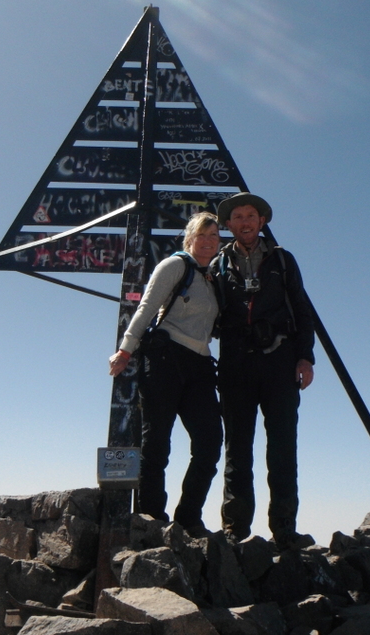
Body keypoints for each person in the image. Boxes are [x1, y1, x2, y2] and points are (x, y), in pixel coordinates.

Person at [210, 192, 315, 548]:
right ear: (229, 225)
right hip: (235, 365)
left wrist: (306, 357)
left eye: (250, 215)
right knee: (236, 450)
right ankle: (234, 529)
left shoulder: (282, 260)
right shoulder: (217, 266)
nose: (244, 221)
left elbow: (302, 310)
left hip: (280, 362)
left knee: (283, 448)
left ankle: (284, 529)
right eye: (237, 216)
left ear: (262, 220)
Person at [108, 212, 223, 536]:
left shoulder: (212, 278)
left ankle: (188, 517)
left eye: (215, 237)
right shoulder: (175, 266)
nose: (209, 241)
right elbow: (146, 307)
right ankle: (151, 516)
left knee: (210, 441)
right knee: (156, 441)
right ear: (190, 238)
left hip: (200, 365)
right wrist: (126, 348)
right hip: (164, 358)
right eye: (203, 235)